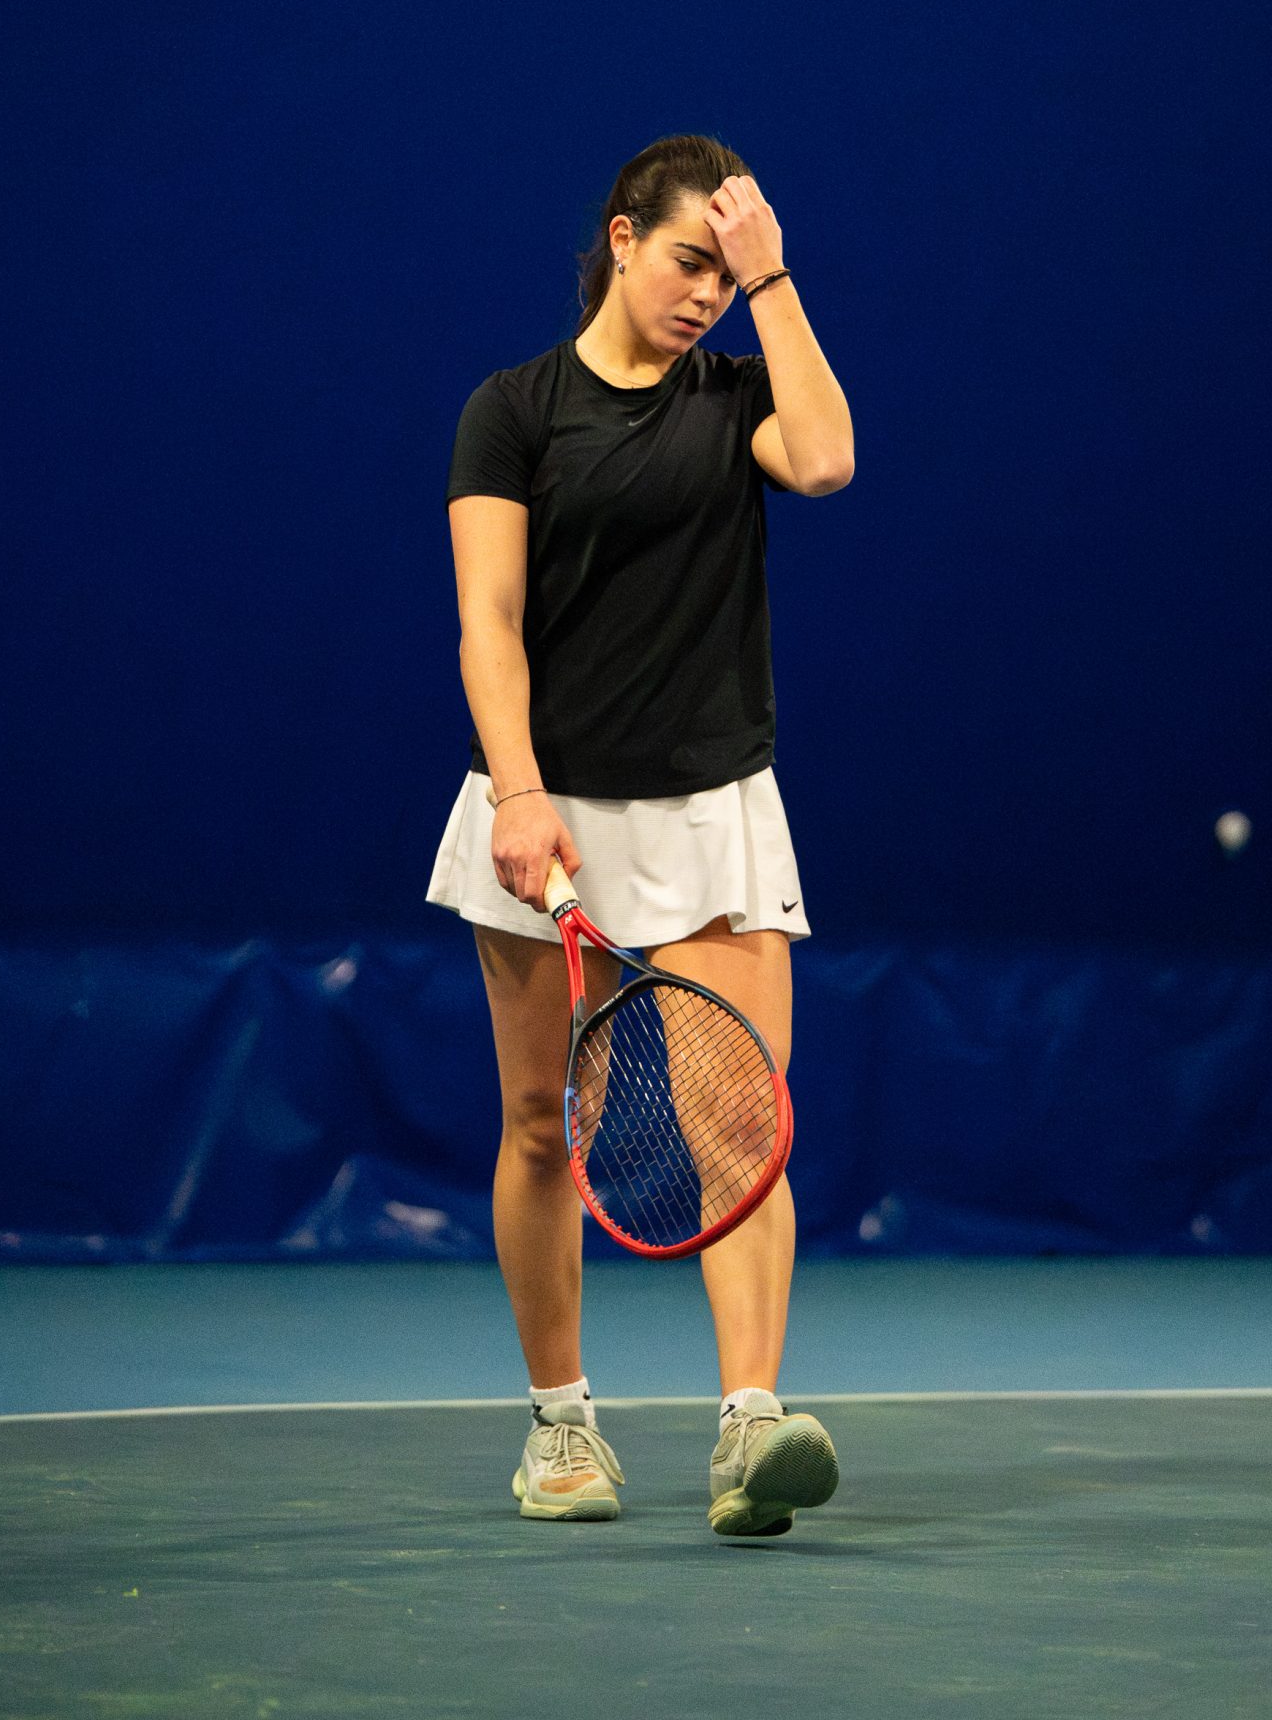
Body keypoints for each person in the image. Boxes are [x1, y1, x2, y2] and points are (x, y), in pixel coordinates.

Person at [428, 133, 855, 1539]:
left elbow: (828, 461)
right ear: (620, 240)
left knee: (739, 1124)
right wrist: (519, 790)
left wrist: (773, 279)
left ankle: (751, 1428)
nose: (703, 297)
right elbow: (489, 620)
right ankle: (560, 1424)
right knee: (545, 1125)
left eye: (722, 279)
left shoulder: (737, 398)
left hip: (711, 810)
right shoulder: (512, 410)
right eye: (688, 264)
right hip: (547, 811)